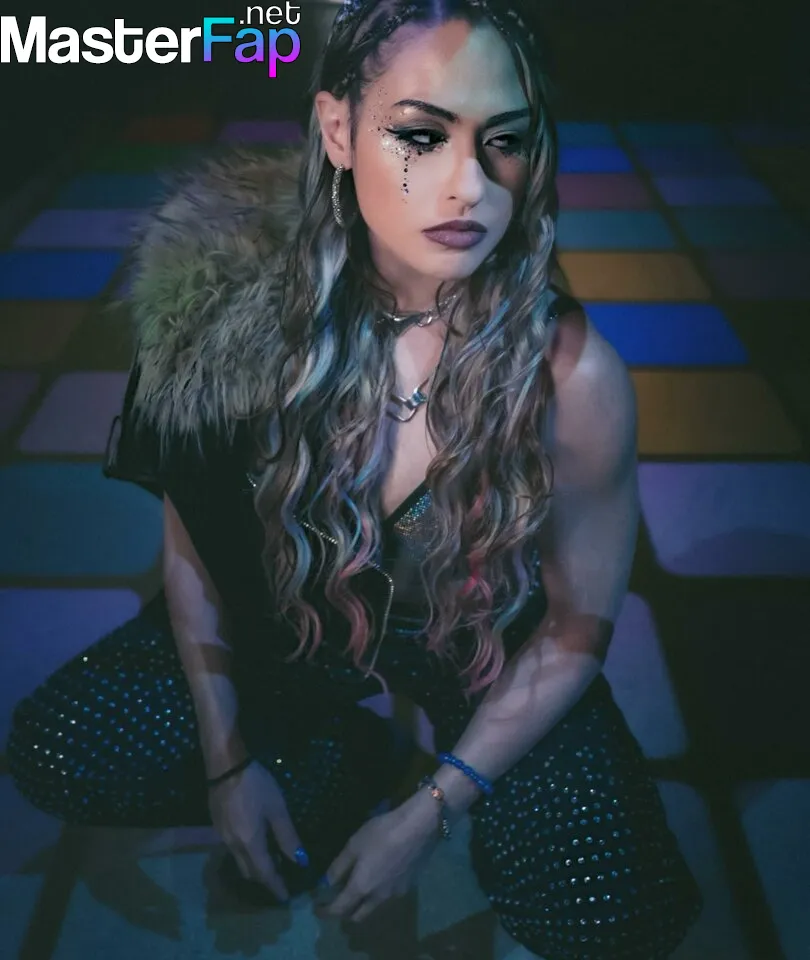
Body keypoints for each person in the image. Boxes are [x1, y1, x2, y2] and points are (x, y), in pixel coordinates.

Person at [7, 0, 702, 955]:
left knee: (606, 911)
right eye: (420, 135)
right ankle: (340, 754)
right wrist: (229, 764)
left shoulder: (572, 376)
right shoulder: (223, 316)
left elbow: (578, 626)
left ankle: (412, 774)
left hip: (474, 646)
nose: (469, 185)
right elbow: (194, 545)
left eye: (504, 141)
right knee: (59, 752)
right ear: (337, 130)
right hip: (284, 620)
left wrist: (433, 807)